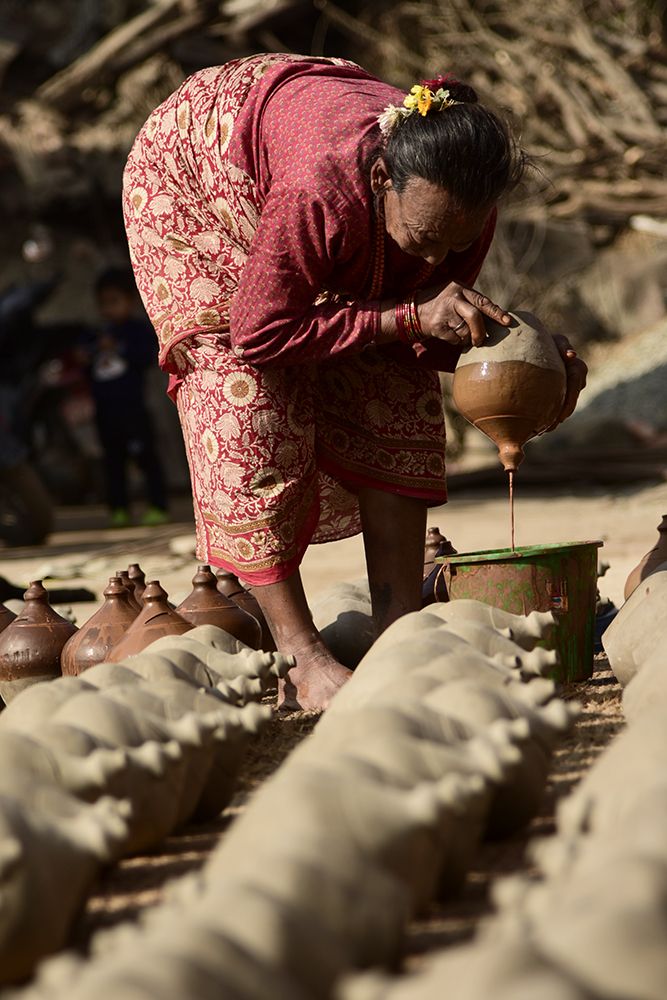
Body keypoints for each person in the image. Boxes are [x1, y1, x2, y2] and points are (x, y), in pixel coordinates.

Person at [122, 54, 587, 711]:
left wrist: (525, 352)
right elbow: (260, 333)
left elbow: (426, 329)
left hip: (302, 174)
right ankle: (298, 653)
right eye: (423, 236)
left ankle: (398, 630)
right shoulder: (320, 187)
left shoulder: (455, 208)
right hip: (198, 177)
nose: (434, 257)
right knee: (247, 399)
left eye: (455, 242)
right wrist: (406, 315)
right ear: (378, 177)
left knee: (395, 382)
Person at [85, 266, 169, 528]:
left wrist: (119, 348)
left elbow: (146, 358)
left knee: (145, 459)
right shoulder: (96, 333)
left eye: (114, 302)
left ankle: (157, 506)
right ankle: (119, 509)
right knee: (112, 462)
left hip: (132, 409)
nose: (108, 309)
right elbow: (87, 367)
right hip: (105, 412)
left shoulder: (137, 331)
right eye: (103, 304)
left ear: (130, 302)